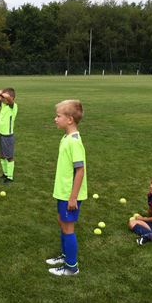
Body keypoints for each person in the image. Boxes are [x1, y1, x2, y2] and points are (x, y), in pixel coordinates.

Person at [46, 100, 87, 276]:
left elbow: (80, 170)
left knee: (68, 227)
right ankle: (65, 256)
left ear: (69, 119)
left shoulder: (74, 142)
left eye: (58, 116)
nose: (55, 119)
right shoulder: (67, 137)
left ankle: (72, 267)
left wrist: (73, 197)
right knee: (62, 222)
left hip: (70, 194)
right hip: (62, 192)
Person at [0, 88, 18, 184]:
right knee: (2, 155)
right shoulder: (4, 104)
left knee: (9, 156)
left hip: (8, 136)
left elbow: (8, 98)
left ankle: (10, 177)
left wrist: (2, 93)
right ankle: (5, 173)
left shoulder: (13, 106)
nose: (2, 98)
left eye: (4, 97)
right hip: (1, 134)